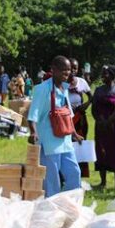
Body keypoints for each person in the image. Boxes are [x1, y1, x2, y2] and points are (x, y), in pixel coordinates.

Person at [27, 56, 83, 197]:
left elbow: (68, 114)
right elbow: (33, 114)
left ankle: (70, 203)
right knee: (52, 181)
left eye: (69, 70)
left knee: (74, 173)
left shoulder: (64, 88)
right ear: (54, 70)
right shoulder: (42, 89)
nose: (67, 74)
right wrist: (33, 132)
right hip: (49, 142)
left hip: (65, 141)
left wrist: (75, 134)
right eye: (64, 71)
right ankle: (51, 208)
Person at [92, 66, 115, 190]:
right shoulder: (98, 90)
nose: (103, 76)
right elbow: (94, 108)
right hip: (101, 126)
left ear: (113, 75)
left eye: (106, 74)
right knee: (101, 151)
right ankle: (103, 182)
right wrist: (100, 120)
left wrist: (111, 119)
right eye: (102, 74)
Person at [68, 59, 93, 178]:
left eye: (75, 68)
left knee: (79, 144)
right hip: (66, 119)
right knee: (67, 145)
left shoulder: (82, 82)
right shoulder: (61, 82)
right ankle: (67, 173)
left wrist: (85, 105)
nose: (73, 70)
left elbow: (91, 97)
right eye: (70, 67)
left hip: (79, 118)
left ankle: (80, 174)